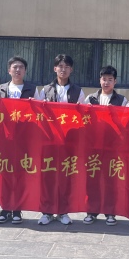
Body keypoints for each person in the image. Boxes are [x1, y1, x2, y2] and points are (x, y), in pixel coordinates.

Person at [37, 54, 85, 225]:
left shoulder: (78, 91)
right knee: (48, 176)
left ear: (71, 69)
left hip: (69, 141)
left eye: (66, 66)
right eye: (60, 66)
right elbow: (39, 114)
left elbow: (82, 116)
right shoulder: (45, 90)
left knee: (66, 176)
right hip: (49, 140)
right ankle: (47, 211)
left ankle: (63, 211)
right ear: (55, 68)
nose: (63, 69)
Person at [0, 56, 40, 224]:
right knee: (5, 173)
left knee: (20, 174)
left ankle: (17, 209)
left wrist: (35, 105)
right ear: (9, 70)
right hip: (5, 138)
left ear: (25, 71)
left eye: (21, 67)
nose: (17, 70)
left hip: (24, 138)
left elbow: (40, 114)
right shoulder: (1, 89)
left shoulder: (32, 89)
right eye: (15, 67)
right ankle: (5, 208)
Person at [82, 65, 128, 226]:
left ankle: (110, 212)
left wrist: (114, 115)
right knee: (92, 180)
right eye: (104, 79)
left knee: (110, 180)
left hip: (112, 147)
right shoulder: (90, 99)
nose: (106, 82)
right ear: (99, 80)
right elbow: (83, 121)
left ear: (115, 81)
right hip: (93, 146)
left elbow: (126, 124)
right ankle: (92, 211)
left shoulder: (122, 100)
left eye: (110, 79)